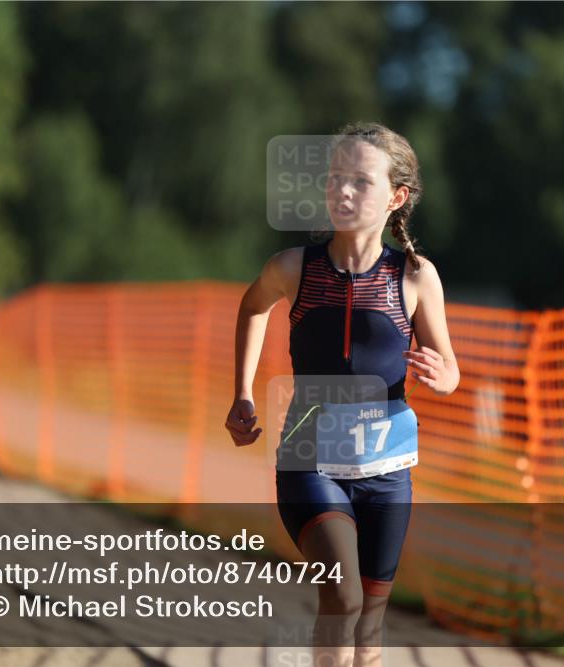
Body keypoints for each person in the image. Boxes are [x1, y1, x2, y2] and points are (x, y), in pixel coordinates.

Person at [226, 123, 459, 667]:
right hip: (309, 460)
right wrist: (242, 394)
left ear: (396, 197)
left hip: (388, 468)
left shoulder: (416, 276)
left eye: (360, 181)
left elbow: (449, 364)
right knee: (343, 596)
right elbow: (252, 307)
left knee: (371, 620)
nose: (342, 192)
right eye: (335, 179)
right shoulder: (292, 268)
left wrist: (444, 377)